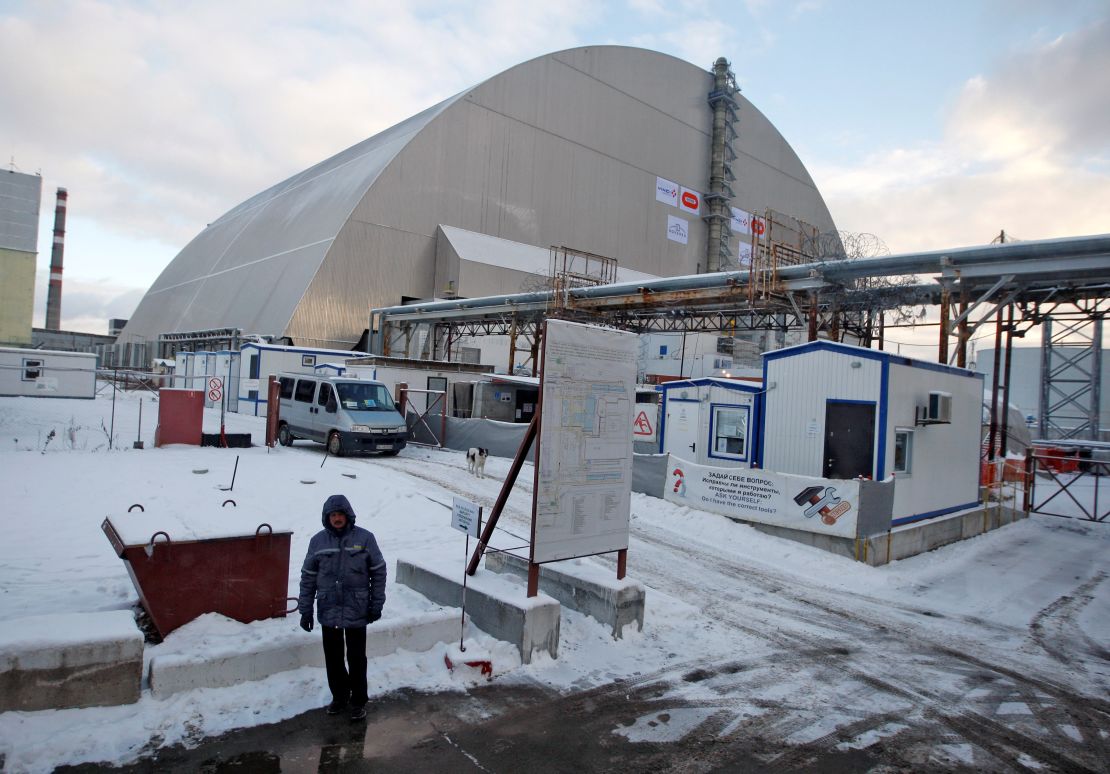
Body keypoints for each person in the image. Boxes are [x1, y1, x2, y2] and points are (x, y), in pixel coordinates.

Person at [298, 494, 386, 721]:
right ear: (327, 518)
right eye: (333, 515)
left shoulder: (365, 539)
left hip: (357, 609)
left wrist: (376, 604)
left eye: (340, 515)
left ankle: (358, 700)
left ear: (348, 516)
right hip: (329, 609)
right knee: (333, 657)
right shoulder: (318, 542)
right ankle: (339, 696)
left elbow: (378, 572)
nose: (337, 519)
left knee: (357, 658)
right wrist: (305, 610)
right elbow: (308, 577)